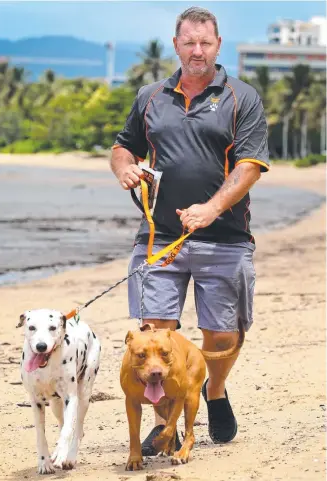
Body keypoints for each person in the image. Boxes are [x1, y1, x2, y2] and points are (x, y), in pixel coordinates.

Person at [110, 6, 269, 454]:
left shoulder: (242, 97)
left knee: (222, 335)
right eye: (189, 42)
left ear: (218, 46)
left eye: (205, 42)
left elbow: (250, 164)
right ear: (176, 44)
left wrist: (211, 208)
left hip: (226, 238)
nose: (197, 50)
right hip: (158, 240)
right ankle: (167, 425)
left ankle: (211, 389)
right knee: (154, 337)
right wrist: (124, 169)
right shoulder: (150, 95)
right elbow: (124, 146)